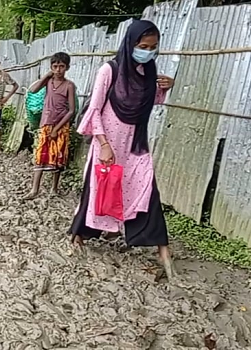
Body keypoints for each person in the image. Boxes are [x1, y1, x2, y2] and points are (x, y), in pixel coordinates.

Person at [67, 20, 176, 278]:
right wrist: (103, 144)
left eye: (153, 47)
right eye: (143, 46)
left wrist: (163, 90)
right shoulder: (110, 70)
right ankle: (78, 236)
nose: (148, 52)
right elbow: (94, 110)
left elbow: (148, 104)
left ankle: (163, 251)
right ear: (130, 44)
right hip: (107, 143)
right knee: (98, 191)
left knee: (146, 189)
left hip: (134, 144)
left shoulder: (148, 72)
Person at [24, 52, 76, 199]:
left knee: (58, 157)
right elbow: (32, 90)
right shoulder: (48, 82)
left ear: (67, 67)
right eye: (55, 66)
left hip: (61, 126)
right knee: (40, 156)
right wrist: (46, 76)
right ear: (51, 67)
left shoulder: (69, 85)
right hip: (45, 124)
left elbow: (71, 111)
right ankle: (34, 190)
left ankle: (54, 188)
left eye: (61, 66)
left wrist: (57, 128)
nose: (58, 70)